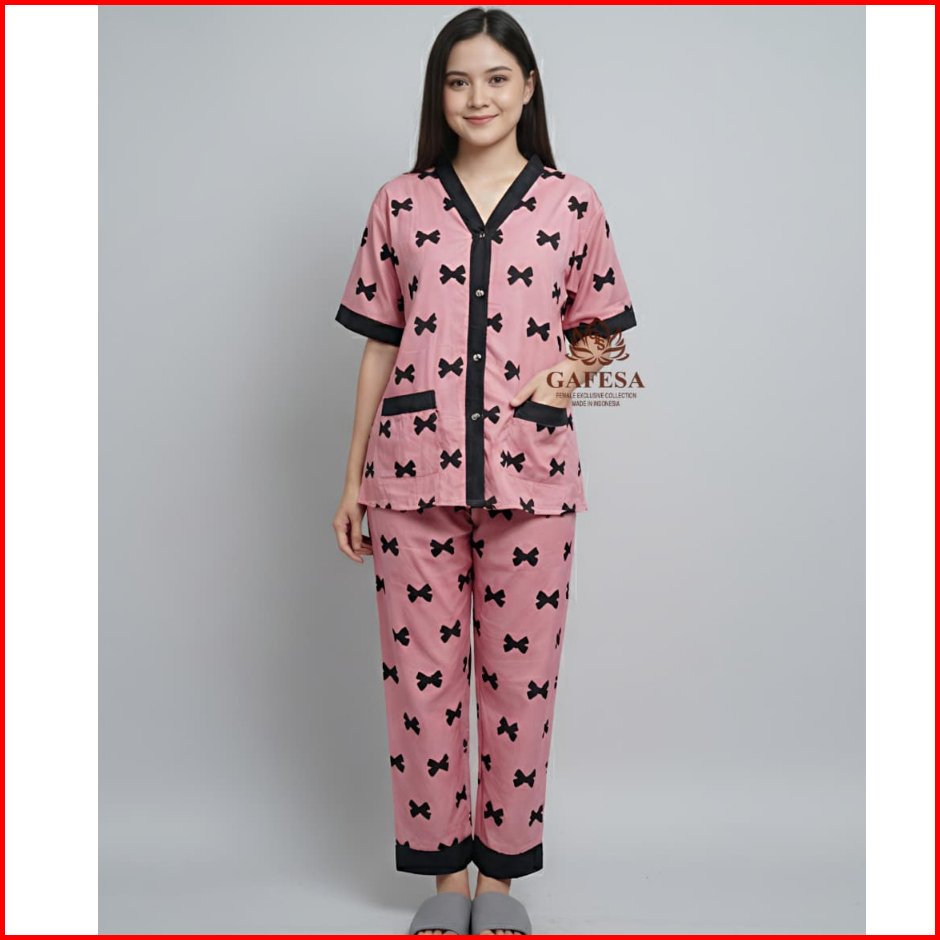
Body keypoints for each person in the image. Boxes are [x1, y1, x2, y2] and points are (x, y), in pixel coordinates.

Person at [331, 7, 637, 935]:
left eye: (497, 78)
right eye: (459, 80)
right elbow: (379, 346)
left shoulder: (572, 203)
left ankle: (499, 882)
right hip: (409, 478)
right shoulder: (401, 202)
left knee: (520, 684)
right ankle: (444, 878)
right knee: (419, 683)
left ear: (528, 87)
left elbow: (600, 332)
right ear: (440, 94)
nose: (478, 97)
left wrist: (547, 388)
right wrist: (351, 480)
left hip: (532, 482)